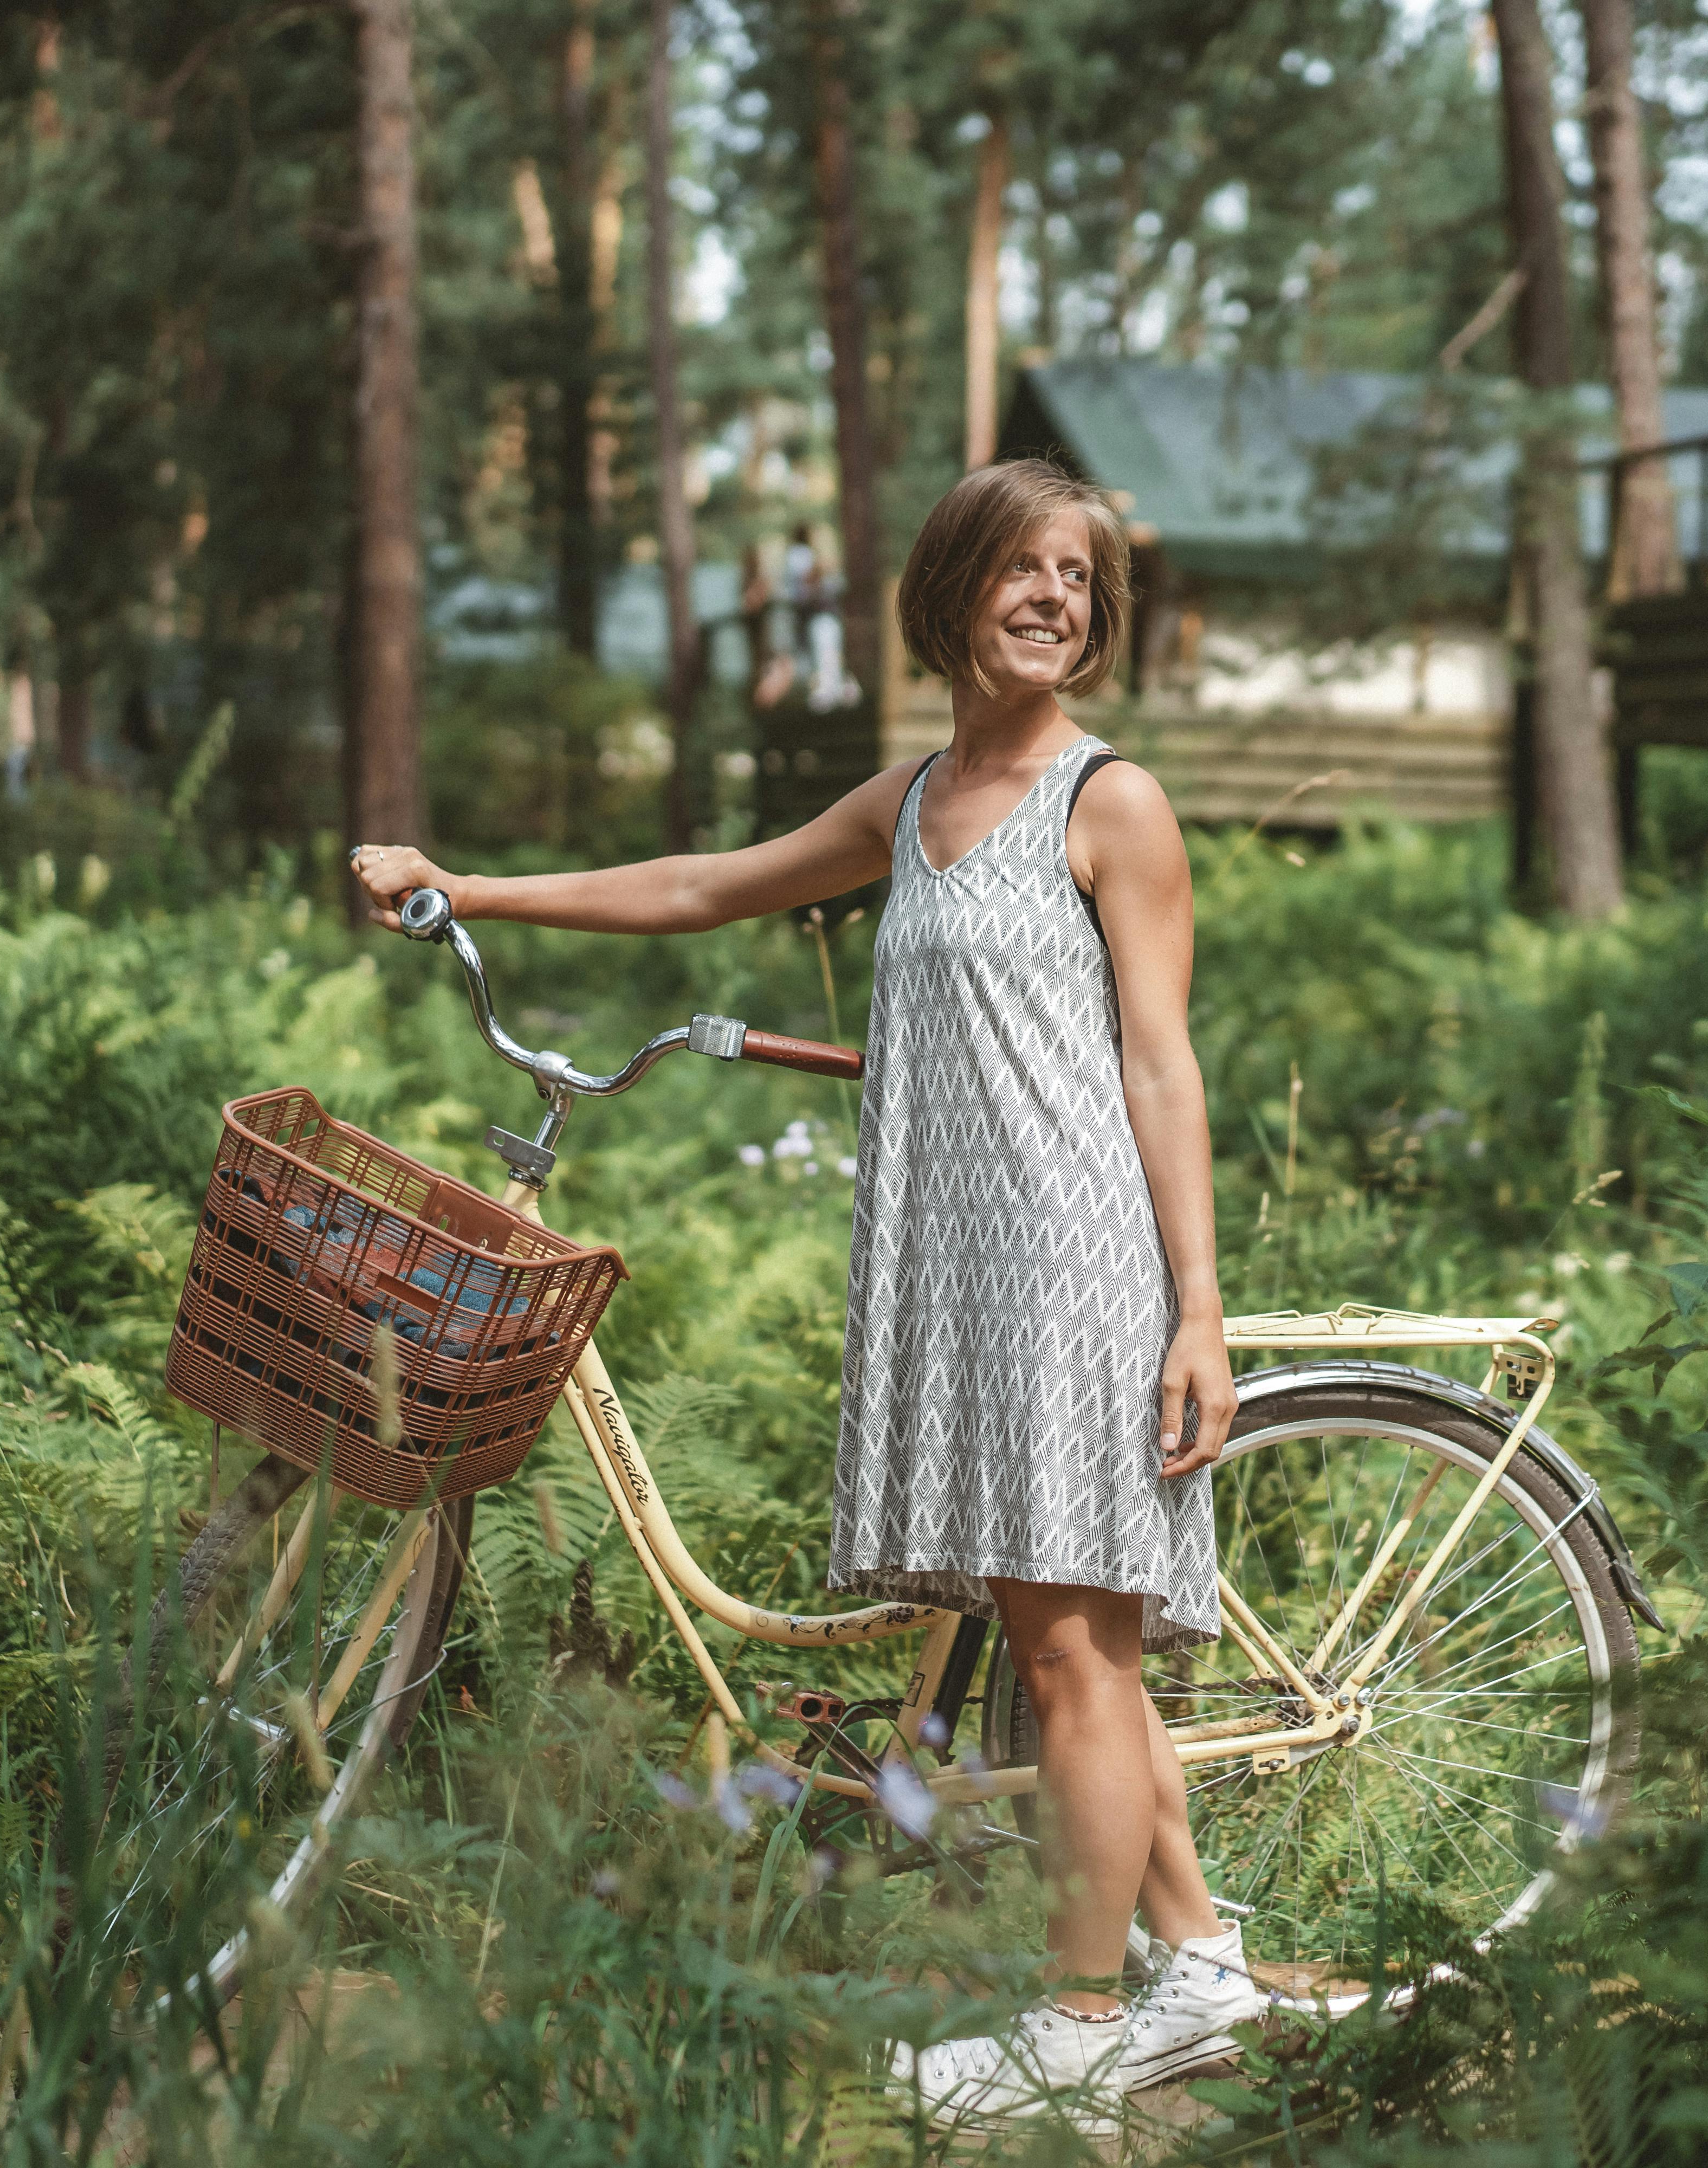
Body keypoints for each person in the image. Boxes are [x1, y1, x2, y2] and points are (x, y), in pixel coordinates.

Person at [350, 459, 1259, 2137]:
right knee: (1080, 1654)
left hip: (1072, 1263)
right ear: (953, 593)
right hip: (950, 1265)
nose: (1054, 595)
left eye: (1081, 575)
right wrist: (467, 889)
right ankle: (1199, 1965)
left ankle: (1074, 2019)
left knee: (1069, 1651)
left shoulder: (1110, 804)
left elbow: (1161, 1061)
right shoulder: (907, 805)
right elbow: (701, 884)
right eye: (1022, 569)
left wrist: (1196, 1306)